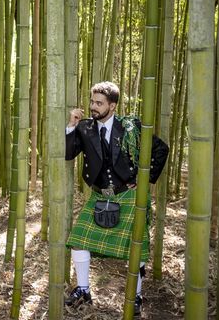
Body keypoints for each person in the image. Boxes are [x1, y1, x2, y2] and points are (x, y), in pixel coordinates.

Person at [64, 81, 169, 316]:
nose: (93, 107)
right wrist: (71, 126)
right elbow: (68, 153)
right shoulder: (85, 128)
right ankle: (83, 290)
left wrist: (146, 179)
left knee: (136, 247)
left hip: (128, 196)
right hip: (99, 195)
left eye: (99, 103)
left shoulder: (130, 127)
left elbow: (161, 149)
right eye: (92, 101)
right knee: (78, 240)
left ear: (112, 106)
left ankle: (137, 296)